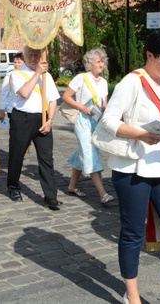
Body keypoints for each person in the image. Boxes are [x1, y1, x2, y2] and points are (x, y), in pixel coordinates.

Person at [98, 28, 160, 304]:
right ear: (149, 55)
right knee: (133, 231)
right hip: (132, 169)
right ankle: (133, 294)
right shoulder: (131, 82)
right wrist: (140, 134)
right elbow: (108, 121)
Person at [5, 46, 61, 210]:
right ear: (24, 55)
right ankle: (13, 187)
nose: (34, 58)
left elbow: (53, 100)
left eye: (37, 55)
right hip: (22, 118)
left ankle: (51, 196)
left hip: (42, 119)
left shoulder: (47, 76)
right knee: (17, 155)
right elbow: (24, 93)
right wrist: (37, 73)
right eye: (30, 55)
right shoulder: (16, 74)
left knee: (46, 159)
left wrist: (50, 120)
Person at [61, 48, 114, 204]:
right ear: (90, 63)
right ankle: (103, 194)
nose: (101, 64)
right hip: (83, 122)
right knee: (90, 154)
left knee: (83, 153)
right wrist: (82, 107)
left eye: (103, 61)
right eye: (98, 61)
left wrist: (106, 111)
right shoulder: (81, 78)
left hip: (96, 123)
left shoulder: (103, 82)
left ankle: (71, 186)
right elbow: (66, 96)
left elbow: (105, 103)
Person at [0, 53, 24, 124]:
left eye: (19, 62)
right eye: (15, 62)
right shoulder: (9, 76)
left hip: (23, 109)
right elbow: (4, 93)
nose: (16, 64)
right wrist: (2, 110)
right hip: (11, 109)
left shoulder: (27, 75)